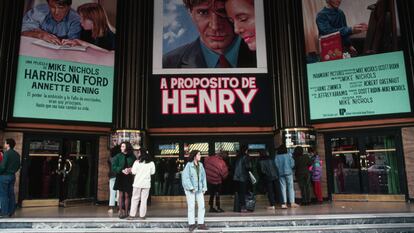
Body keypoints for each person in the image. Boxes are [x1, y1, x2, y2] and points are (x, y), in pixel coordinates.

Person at [162, 0, 256, 68]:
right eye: (203, 12)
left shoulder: (262, 53)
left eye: (222, 12)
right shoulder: (168, 63)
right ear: (190, 13)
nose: (215, 26)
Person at [182, 150, 209, 232]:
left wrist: (204, 188)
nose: (200, 156)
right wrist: (191, 187)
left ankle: (201, 223)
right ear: (194, 156)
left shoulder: (200, 165)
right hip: (190, 190)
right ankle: (191, 224)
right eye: (199, 155)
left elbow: (203, 177)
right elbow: (185, 178)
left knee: (202, 206)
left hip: (199, 189)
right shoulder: (188, 165)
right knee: (191, 206)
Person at [128, 148, 155, 220]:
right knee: (144, 200)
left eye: (138, 153)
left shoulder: (137, 162)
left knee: (135, 199)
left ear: (141, 153)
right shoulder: (151, 163)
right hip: (146, 184)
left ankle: (132, 215)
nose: (138, 154)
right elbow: (153, 172)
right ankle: (142, 215)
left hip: (137, 183)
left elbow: (133, 172)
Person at [112, 142, 136, 219]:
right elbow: (114, 167)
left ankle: (126, 211)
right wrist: (121, 170)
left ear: (127, 147)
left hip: (128, 177)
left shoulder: (132, 156)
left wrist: (130, 170)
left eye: (123, 146)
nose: (121, 148)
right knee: (120, 195)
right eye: (121, 146)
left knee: (127, 195)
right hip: (120, 176)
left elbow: (135, 167)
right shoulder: (118, 156)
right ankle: (120, 211)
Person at [0, 139, 21, 218]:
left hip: (4, 176)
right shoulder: (17, 154)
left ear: (8, 144)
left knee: (3, 195)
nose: (4, 144)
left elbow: (3, 166)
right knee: (11, 194)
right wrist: (13, 171)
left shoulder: (7, 153)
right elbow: (18, 166)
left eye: (5, 143)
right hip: (12, 176)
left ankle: (4, 212)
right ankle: (11, 211)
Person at [274, 144, 298, 209]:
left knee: (283, 188)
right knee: (290, 187)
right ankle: (292, 203)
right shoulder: (289, 155)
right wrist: (290, 168)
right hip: (289, 173)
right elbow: (293, 164)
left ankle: (284, 203)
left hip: (280, 173)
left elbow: (276, 165)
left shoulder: (277, 157)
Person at [233, 144, 252, 213]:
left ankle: (238, 207)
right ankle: (243, 207)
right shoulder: (246, 156)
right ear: (246, 150)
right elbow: (249, 167)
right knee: (243, 192)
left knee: (239, 192)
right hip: (243, 177)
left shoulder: (237, 157)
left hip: (236, 177)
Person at [107, 145, 120, 214]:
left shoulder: (110, 158)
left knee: (112, 192)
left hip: (111, 176)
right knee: (118, 191)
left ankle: (111, 208)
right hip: (118, 176)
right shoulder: (119, 158)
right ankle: (118, 207)